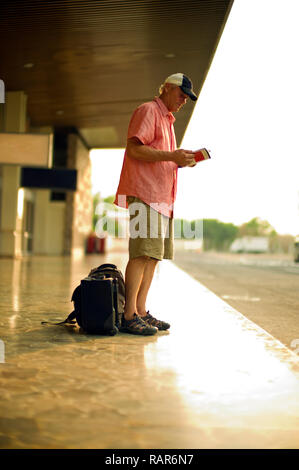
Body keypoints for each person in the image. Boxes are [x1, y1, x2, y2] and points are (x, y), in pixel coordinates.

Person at [114, 73, 198, 335]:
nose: (184, 100)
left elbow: (162, 157)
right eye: (181, 94)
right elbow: (134, 149)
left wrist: (179, 160)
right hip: (146, 193)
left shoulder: (169, 122)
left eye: (187, 97)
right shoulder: (148, 110)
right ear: (167, 89)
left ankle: (140, 311)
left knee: (152, 257)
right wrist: (171, 155)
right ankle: (128, 316)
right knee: (140, 254)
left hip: (163, 198)